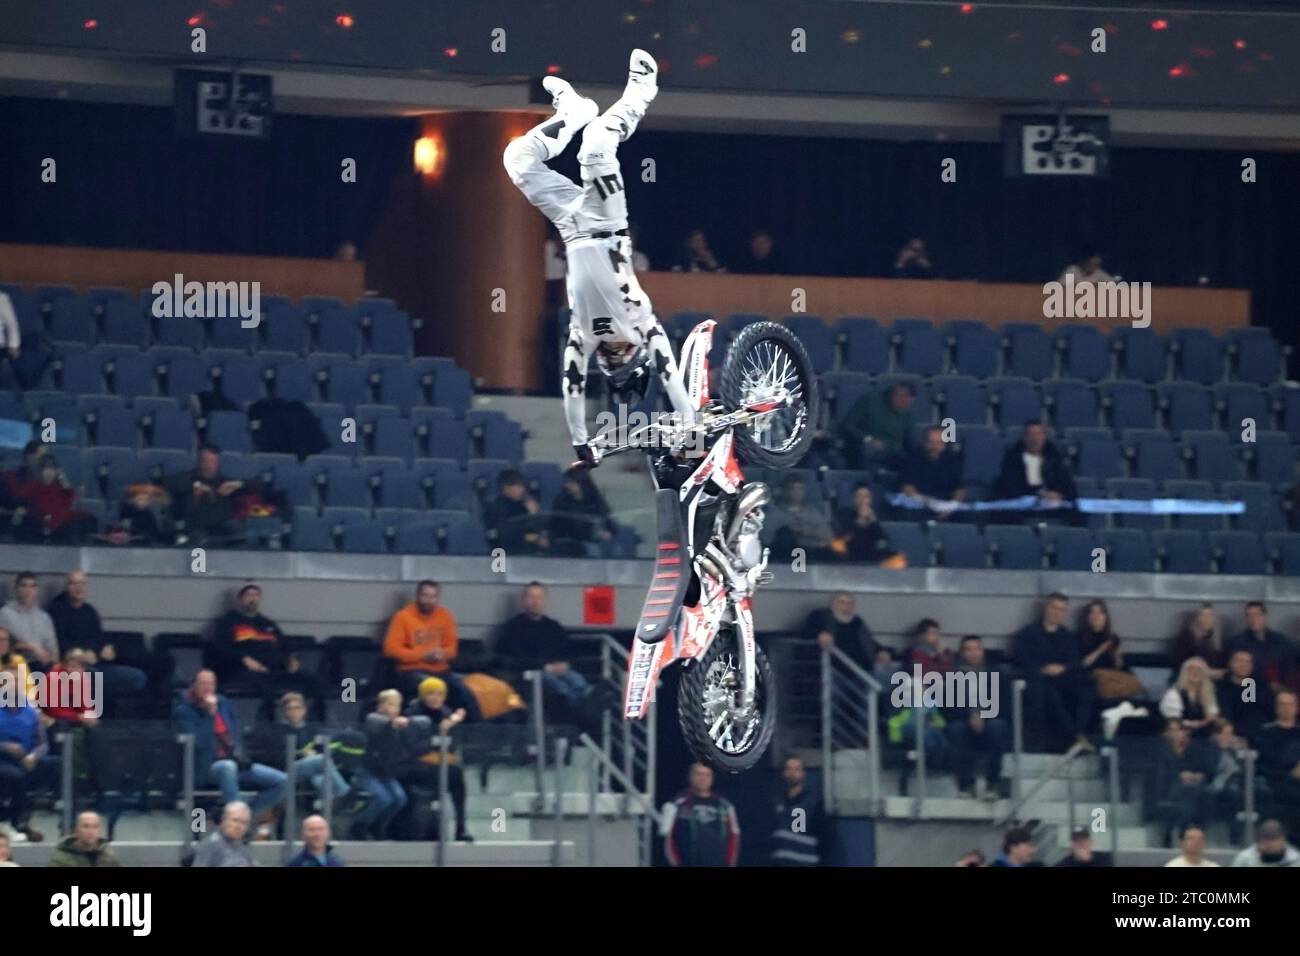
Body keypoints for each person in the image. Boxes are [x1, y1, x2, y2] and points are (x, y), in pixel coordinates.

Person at [501, 51, 695, 467]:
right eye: (621, 361)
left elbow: (571, 387)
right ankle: (641, 92)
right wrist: (690, 424)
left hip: (572, 227)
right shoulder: (642, 323)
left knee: (516, 159)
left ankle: (571, 111)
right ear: (637, 354)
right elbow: (673, 378)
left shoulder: (583, 335)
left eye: (609, 364)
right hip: (607, 221)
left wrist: (581, 443)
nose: (610, 356)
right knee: (596, 145)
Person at [172, 670, 288, 839]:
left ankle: (239, 817)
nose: (208, 687)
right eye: (203, 683)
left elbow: (234, 732)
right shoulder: (184, 711)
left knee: (282, 781)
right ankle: (237, 819)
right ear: (194, 686)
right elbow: (198, 744)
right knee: (227, 767)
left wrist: (239, 752)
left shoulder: (224, 703)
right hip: (206, 767)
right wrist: (210, 715)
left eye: (211, 683)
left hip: (234, 760)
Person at [382, 580, 481, 720]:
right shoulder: (403, 617)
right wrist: (423, 655)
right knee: (434, 689)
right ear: (417, 596)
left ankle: (478, 731)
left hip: (441, 670)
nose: (429, 600)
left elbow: (452, 649)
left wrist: (442, 654)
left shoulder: (445, 616)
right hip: (411, 671)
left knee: (465, 691)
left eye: (433, 596)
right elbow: (390, 649)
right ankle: (442, 726)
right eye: (425, 595)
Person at [1011, 592, 1096, 752]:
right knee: (1048, 690)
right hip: (1036, 679)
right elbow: (1021, 658)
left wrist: (1062, 669)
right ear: (1046, 608)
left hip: (1062, 678)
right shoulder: (1028, 633)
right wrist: (1043, 669)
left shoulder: (1068, 637)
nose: (1057, 612)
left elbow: (1074, 662)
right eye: (1054, 607)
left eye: (1062, 609)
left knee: (1087, 686)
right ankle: (1075, 736)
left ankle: (1079, 731)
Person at [45, 570, 148, 699]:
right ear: (67, 587)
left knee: (137, 677)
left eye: (82, 584)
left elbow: (98, 638)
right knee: (93, 678)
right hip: (71, 667)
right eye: (74, 584)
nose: (79, 588)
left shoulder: (90, 611)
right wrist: (81, 654)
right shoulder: (56, 610)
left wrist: (105, 649)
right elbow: (56, 643)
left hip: (97, 664)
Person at [207, 583, 316, 702]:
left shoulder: (268, 624)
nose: (252, 599)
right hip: (243, 671)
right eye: (248, 595)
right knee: (263, 684)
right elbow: (222, 647)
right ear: (240, 599)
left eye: (256, 595)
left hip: (275, 670)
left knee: (311, 679)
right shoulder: (228, 622)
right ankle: (269, 717)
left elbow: (285, 645)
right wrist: (244, 659)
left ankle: (314, 716)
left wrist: (293, 658)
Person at [493, 582, 593, 707]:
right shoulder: (512, 628)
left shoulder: (554, 627)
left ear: (545, 601)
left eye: (539, 597)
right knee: (557, 685)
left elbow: (567, 651)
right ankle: (579, 707)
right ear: (524, 600)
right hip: (529, 673)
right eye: (532, 597)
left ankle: (590, 698)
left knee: (575, 679)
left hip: (556, 669)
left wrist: (565, 664)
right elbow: (509, 659)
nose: (535, 602)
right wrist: (544, 666)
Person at [351, 690, 429, 841]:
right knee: (383, 798)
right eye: (391, 704)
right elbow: (375, 723)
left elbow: (423, 723)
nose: (395, 709)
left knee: (400, 799)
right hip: (367, 771)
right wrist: (392, 722)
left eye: (397, 705)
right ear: (381, 705)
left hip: (386, 772)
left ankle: (378, 825)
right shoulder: (373, 719)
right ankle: (359, 825)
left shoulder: (399, 727)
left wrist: (408, 723)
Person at [403, 677, 472, 842]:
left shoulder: (446, 713)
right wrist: (440, 733)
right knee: (450, 773)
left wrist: (448, 731)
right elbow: (413, 747)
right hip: (414, 764)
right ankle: (431, 827)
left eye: (440, 694)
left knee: (457, 776)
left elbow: (452, 745)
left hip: (440, 763)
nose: (436, 697)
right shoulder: (412, 713)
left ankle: (460, 828)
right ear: (423, 695)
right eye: (431, 693)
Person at [946, 635, 1009, 800]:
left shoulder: (997, 674)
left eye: (977, 648)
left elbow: (1004, 705)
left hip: (990, 720)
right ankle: (966, 785)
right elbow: (949, 707)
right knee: (956, 729)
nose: (973, 653)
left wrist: (983, 717)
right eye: (968, 649)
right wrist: (970, 716)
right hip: (964, 721)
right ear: (961, 653)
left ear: (982, 652)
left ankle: (992, 784)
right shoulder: (952, 677)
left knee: (998, 727)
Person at [163, 443, 264, 545]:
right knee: (196, 539)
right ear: (198, 462)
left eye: (213, 462)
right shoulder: (187, 478)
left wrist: (239, 484)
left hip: (223, 527)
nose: (209, 466)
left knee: (239, 532)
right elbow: (167, 483)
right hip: (196, 528)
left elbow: (258, 485)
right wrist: (195, 486)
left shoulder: (225, 482)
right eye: (205, 461)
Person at [268, 692, 351, 808]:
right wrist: (301, 754)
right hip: (290, 769)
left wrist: (313, 755)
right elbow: (276, 757)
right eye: (289, 709)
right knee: (321, 760)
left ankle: (326, 808)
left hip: (314, 767)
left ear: (304, 710)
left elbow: (323, 747)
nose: (294, 712)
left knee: (321, 780)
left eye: (297, 708)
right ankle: (346, 793)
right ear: (284, 712)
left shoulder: (313, 729)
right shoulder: (278, 731)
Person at [0, 660, 49, 843]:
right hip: (1, 758)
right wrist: (5, 746)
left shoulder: (31, 711)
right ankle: (9, 822)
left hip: (23, 759)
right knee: (15, 776)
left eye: (16, 681)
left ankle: (20, 822)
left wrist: (33, 755)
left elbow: (43, 743)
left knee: (46, 769)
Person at [1151, 720, 1217, 845]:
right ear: (1166, 733)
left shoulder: (1191, 750)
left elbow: (1199, 767)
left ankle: (1198, 831)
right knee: (1190, 793)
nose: (1178, 733)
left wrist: (1196, 775)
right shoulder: (1162, 751)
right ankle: (1183, 833)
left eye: (1180, 730)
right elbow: (1161, 774)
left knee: (1205, 794)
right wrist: (1179, 776)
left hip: (1189, 789)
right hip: (1168, 788)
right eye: (1174, 730)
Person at [662, 763, 740, 867]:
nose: (703, 778)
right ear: (690, 777)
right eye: (698, 774)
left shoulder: (725, 805)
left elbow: (734, 838)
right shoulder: (675, 805)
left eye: (707, 775)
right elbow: (667, 840)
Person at [5, 454, 96, 543]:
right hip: (38, 527)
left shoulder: (61, 489)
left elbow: (69, 497)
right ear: (40, 471)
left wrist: (62, 477)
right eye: (45, 469)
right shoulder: (34, 486)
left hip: (61, 529)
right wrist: (8, 474)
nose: (48, 473)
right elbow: (19, 492)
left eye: (52, 469)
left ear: (56, 472)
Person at [993, 420, 1076, 508]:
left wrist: (1059, 495)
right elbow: (1009, 487)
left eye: (1038, 434)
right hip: (1020, 508)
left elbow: (1069, 488)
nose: (1035, 439)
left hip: (1051, 507)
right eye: (1031, 434)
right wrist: (1039, 495)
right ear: (1025, 437)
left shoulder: (1054, 459)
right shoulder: (1012, 460)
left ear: (1044, 437)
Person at [837, 382, 916, 469]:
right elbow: (848, 424)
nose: (906, 407)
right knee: (870, 450)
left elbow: (910, 439)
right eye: (904, 403)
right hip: (866, 445)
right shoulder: (869, 400)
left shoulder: (906, 412)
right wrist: (868, 439)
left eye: (908, 404)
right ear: (896, 396)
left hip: (893, 449)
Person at [1077, 599, 1142, 702]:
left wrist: (1117, 654)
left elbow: (1119, 666)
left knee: (1135, 682)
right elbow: (1082, 664)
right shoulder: (1080, 637)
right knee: (1098, 678)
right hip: (1092, 679)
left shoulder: (1112, 638)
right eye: (1093, 612)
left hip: (1112, 679)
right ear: (1088, 617)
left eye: (1100, 612)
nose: (1096, 616)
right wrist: (1100, 650)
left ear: (1105, 617)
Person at [1255, 691, 1300, 834]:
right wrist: (1291, 773)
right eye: (1282, 704)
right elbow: (1263, 763)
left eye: (1290, 704)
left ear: (1296, 708)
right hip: (1274, 781)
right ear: (1276, 707)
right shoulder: (1266, 732)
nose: (1286, 708)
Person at [1225, 602, 1295, 694]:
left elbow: (1291, 664)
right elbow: (1232, 670)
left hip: (1281, 690)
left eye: (1257, 615)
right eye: (1249, 616)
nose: (1253, 619)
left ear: (1265, 617)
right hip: (1250, 690)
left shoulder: (1281, 640)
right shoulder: (1237, 642)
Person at [897, 425, 965, 520]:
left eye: (939, 443)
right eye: (930, 442)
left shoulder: (951, 460)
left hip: (945, 505)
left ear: (945, 444)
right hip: (919, 505)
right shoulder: (912, 458)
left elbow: (959, 490)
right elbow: (908, 488)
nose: (934, 447)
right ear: (924, 442)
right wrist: (930, 503)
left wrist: (951, 507)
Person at [803, 592, 879, 674]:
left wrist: (883, 652)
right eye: (842, 602)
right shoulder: (820, 616)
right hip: (835, 672)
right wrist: (820, 635)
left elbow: (869, 643)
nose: (846, 606)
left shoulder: (857, 622)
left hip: (863, 671)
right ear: (833, 604)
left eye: (850, 603)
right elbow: (807, 634)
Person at [548, 466, 616, 557]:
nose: (567, 485)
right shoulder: (561, 501)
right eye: (567, 482)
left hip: (594, 542)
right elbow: (556, 526)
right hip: (570, 543)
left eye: (571, 482)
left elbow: (610, 524)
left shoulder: (596, 501)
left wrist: (607, 533)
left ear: (582, 483)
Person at [763, 474, 834, 559]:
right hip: (781, 559)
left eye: (800, 489)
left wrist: (808, 531)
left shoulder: (812, 512)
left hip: (811, 556)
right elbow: (765, 539)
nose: (797, 493)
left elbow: (829, 536)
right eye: (792, 489)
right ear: (784, 491)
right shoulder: (774, 513)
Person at [769, 756, 823, 865]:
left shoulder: (814, 805)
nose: (792, 773)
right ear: (784, 773)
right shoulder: (776, 803)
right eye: (789, 769)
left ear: (803, 773)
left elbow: (824, 838)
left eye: (797, 769)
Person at [485, 470, 550, 555]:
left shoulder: (526, 504)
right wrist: (527, 537)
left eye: (522, 486)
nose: (522, 490)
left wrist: (534, 514)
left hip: (531, 553)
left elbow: (541, 529)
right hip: (506, 553)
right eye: (518, 487)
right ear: (506, 488)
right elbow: (502, 534)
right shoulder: (495, 507)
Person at [830, 483, 898, 565]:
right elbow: (843, 539)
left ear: (871, 499)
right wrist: (860, 520)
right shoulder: (844, 514)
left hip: (872, 554)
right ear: (854, 498)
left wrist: (874, 522)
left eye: (866, 496)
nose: (863, 500)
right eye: (859, 496)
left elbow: (883, 540)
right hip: (850, 555)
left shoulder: (877, 514)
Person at [1216, 649, 1274, 745]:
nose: (1244, 665)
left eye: (1248, 662)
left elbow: (1270, 712)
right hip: (1232, 738)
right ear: (1230, 663)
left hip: (1262, 736)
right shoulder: (1221, 687)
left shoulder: (1261, 686)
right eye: (1239, 661)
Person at [0, 571, 57, 668]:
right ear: (16, 588)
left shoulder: (44, 618)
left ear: (37, 590)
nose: (28, 590)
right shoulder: (5, 614)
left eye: (32, 586)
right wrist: (34, 648)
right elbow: (6, 644)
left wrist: (51, 659)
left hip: (41, 665)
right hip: (15, 664)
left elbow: (53, 650)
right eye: (24, 586)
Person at [1160, 657, 1220, 739]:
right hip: (1180, 736)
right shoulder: (1174, 694)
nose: (1195, 672)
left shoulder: (1210, 694)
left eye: (1199, 669)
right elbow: (1174, 721)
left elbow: (1212, 717)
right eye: (1191, 669)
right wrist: (1202, 723)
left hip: (1204, 736)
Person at [193, 800, 255, 867]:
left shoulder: (240, 847)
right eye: (235, 820)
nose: (239, 826)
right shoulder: (211, 845)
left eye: (244, 823)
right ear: (224, 819)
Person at [1172, 603, 1227, 677]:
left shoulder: (1219, 639)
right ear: (1197, 618)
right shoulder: (1186, 637)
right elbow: (1179, 664)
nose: (1207, 619)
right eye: (1203, 615)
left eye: (1211, 615)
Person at [47, 811, 120, 868]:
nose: (91, 831)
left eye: (95, 826)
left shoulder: (108, 857)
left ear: (100, 830)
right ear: (76, 830)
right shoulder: (61, 860)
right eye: (86, 826)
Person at [1231, 819, 1300, 867]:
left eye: (1274, 839)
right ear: (1258, 841)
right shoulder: (1245, 859)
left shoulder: (1296, 860)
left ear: (1283, 840)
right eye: (1266, 839)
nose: (1270, 844)